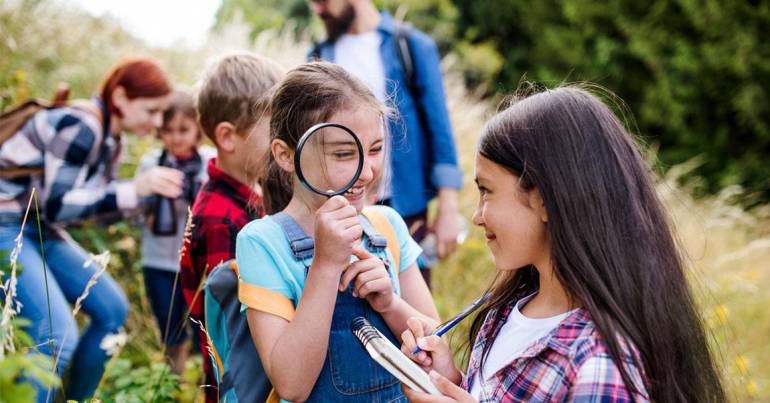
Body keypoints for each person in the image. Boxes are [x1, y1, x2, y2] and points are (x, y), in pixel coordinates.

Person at [399, 86, 726, 402]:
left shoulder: (599, 363)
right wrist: (449, 380)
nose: (477, 216)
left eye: (487, 191)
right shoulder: (506, 312)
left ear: (543, 199)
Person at [236, 61, 439, 402]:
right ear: (286, 156)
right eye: (344, 154)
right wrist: (326, 266)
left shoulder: (386, 226)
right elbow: (291, 385)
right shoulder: (261, 243)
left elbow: (435, 348)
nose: (367, 171)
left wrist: (390, 304)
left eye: (375, 149)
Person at [0, 57, 179, 402]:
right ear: (122, 97)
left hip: (38, 227)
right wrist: (133, 189)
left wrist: (143, 202)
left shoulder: (112, 142)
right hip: (6, 223)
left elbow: (86, 210)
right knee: (55, 335)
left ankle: (74, 398)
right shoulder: (83, 125)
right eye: (152, 110)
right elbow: (59, 205)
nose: (157, 122)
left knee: (112, 309)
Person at [309, 0, 463, 288]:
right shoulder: (319, 56)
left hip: (407, 208)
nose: (318, 10)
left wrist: (448, 206)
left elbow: (440, 129)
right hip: (344, 207)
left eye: (322, 1)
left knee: (410, 303)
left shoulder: (412, 47)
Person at [178, 52, 283, 402]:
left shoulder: (247, 198)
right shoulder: (220, 218)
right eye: (275, 128)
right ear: (228, 137)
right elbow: (229, 325)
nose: (283, 140)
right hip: (242, 383)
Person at [135, 89, 214, 375]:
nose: (176, 137)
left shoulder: (208, 162)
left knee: (205, 332)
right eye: (168, 131)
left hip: (198, 263)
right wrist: (152, 201)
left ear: (197, 129)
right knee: (170, 330)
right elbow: (133, 213)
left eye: (184, 129)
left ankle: (206, 385)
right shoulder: (151, 164)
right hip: (158, 261)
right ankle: (174, 384)